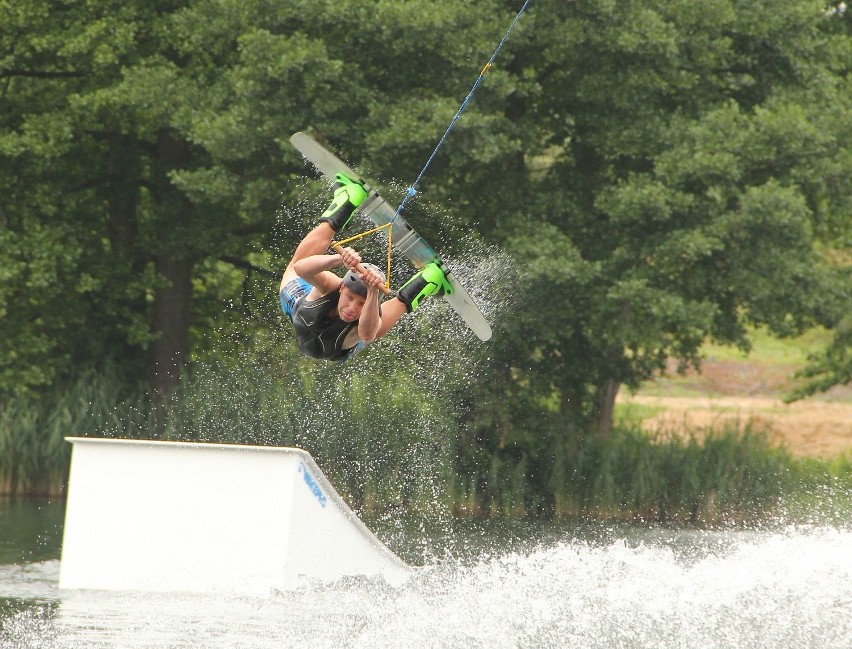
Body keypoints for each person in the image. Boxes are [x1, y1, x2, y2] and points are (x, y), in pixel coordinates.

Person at [279, 173, 452, 361]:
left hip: (336, 348)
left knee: (373, 330)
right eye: (350, 298)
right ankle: (348, 199)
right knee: (295, 265)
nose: (352, 308)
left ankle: (430, 279)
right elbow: (300, 268)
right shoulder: (333, 285)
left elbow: (368, 335)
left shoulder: (368, 313)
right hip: (298, 306)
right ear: (342, 288)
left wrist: (371, 294)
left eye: (360, 303)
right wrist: (339, 258)